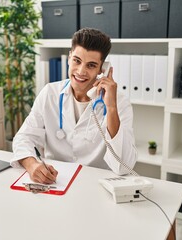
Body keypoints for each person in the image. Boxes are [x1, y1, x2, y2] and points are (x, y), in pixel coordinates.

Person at [11, 28, 137, 184]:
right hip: (55, 183)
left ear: (101, 69)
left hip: (96, 186)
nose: (81, 71)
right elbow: (23, 138)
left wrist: (111, 108)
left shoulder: (119, 103)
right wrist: (32, 165)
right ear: (69, 58)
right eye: (77, 61)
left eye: (91, 65)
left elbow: (123, 167)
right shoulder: (50, 93)